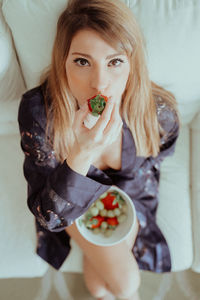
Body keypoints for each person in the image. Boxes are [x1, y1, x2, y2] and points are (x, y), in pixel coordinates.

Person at [18, 0, 179, 299]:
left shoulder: (158, 111)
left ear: (132, 63)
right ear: (63, 62)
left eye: (115, 61)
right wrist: (80, 153)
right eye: (82, 61)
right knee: (128, 283)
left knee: (100, 286)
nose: (100, 84)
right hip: (67, 199)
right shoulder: (40, 114)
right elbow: (49, 216)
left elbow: (161, 155)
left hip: (129, 198)